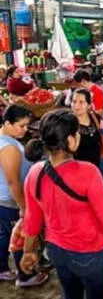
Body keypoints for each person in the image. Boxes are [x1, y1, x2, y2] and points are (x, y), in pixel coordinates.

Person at [20, 110, 103, 299]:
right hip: (89, 253)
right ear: (70, 140)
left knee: (71, 296)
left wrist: (27, 251)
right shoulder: (88, 173)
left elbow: (32, 219)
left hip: (56, 251)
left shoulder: (35, 173)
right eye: (77, 132)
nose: (79, 135)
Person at [0, 105, 48, 287]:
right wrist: (24, 208)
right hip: (11, 200)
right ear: (7, 123)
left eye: (27, 125)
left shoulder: (5, 139)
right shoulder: (8, 148)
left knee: (4, 235)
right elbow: (14, 182)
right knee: (20, 237)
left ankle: (2, 269)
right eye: (21, 126)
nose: (25, 130)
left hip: (3, 199)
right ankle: (25, 276)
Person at [71, 89, 103, 190]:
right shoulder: (69, 123)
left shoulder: (95, 118)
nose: (76, 106)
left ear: (89, 105)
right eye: (74, 102)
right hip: (79, 172)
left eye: (81, 102)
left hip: (99, 166)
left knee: (102, 194)